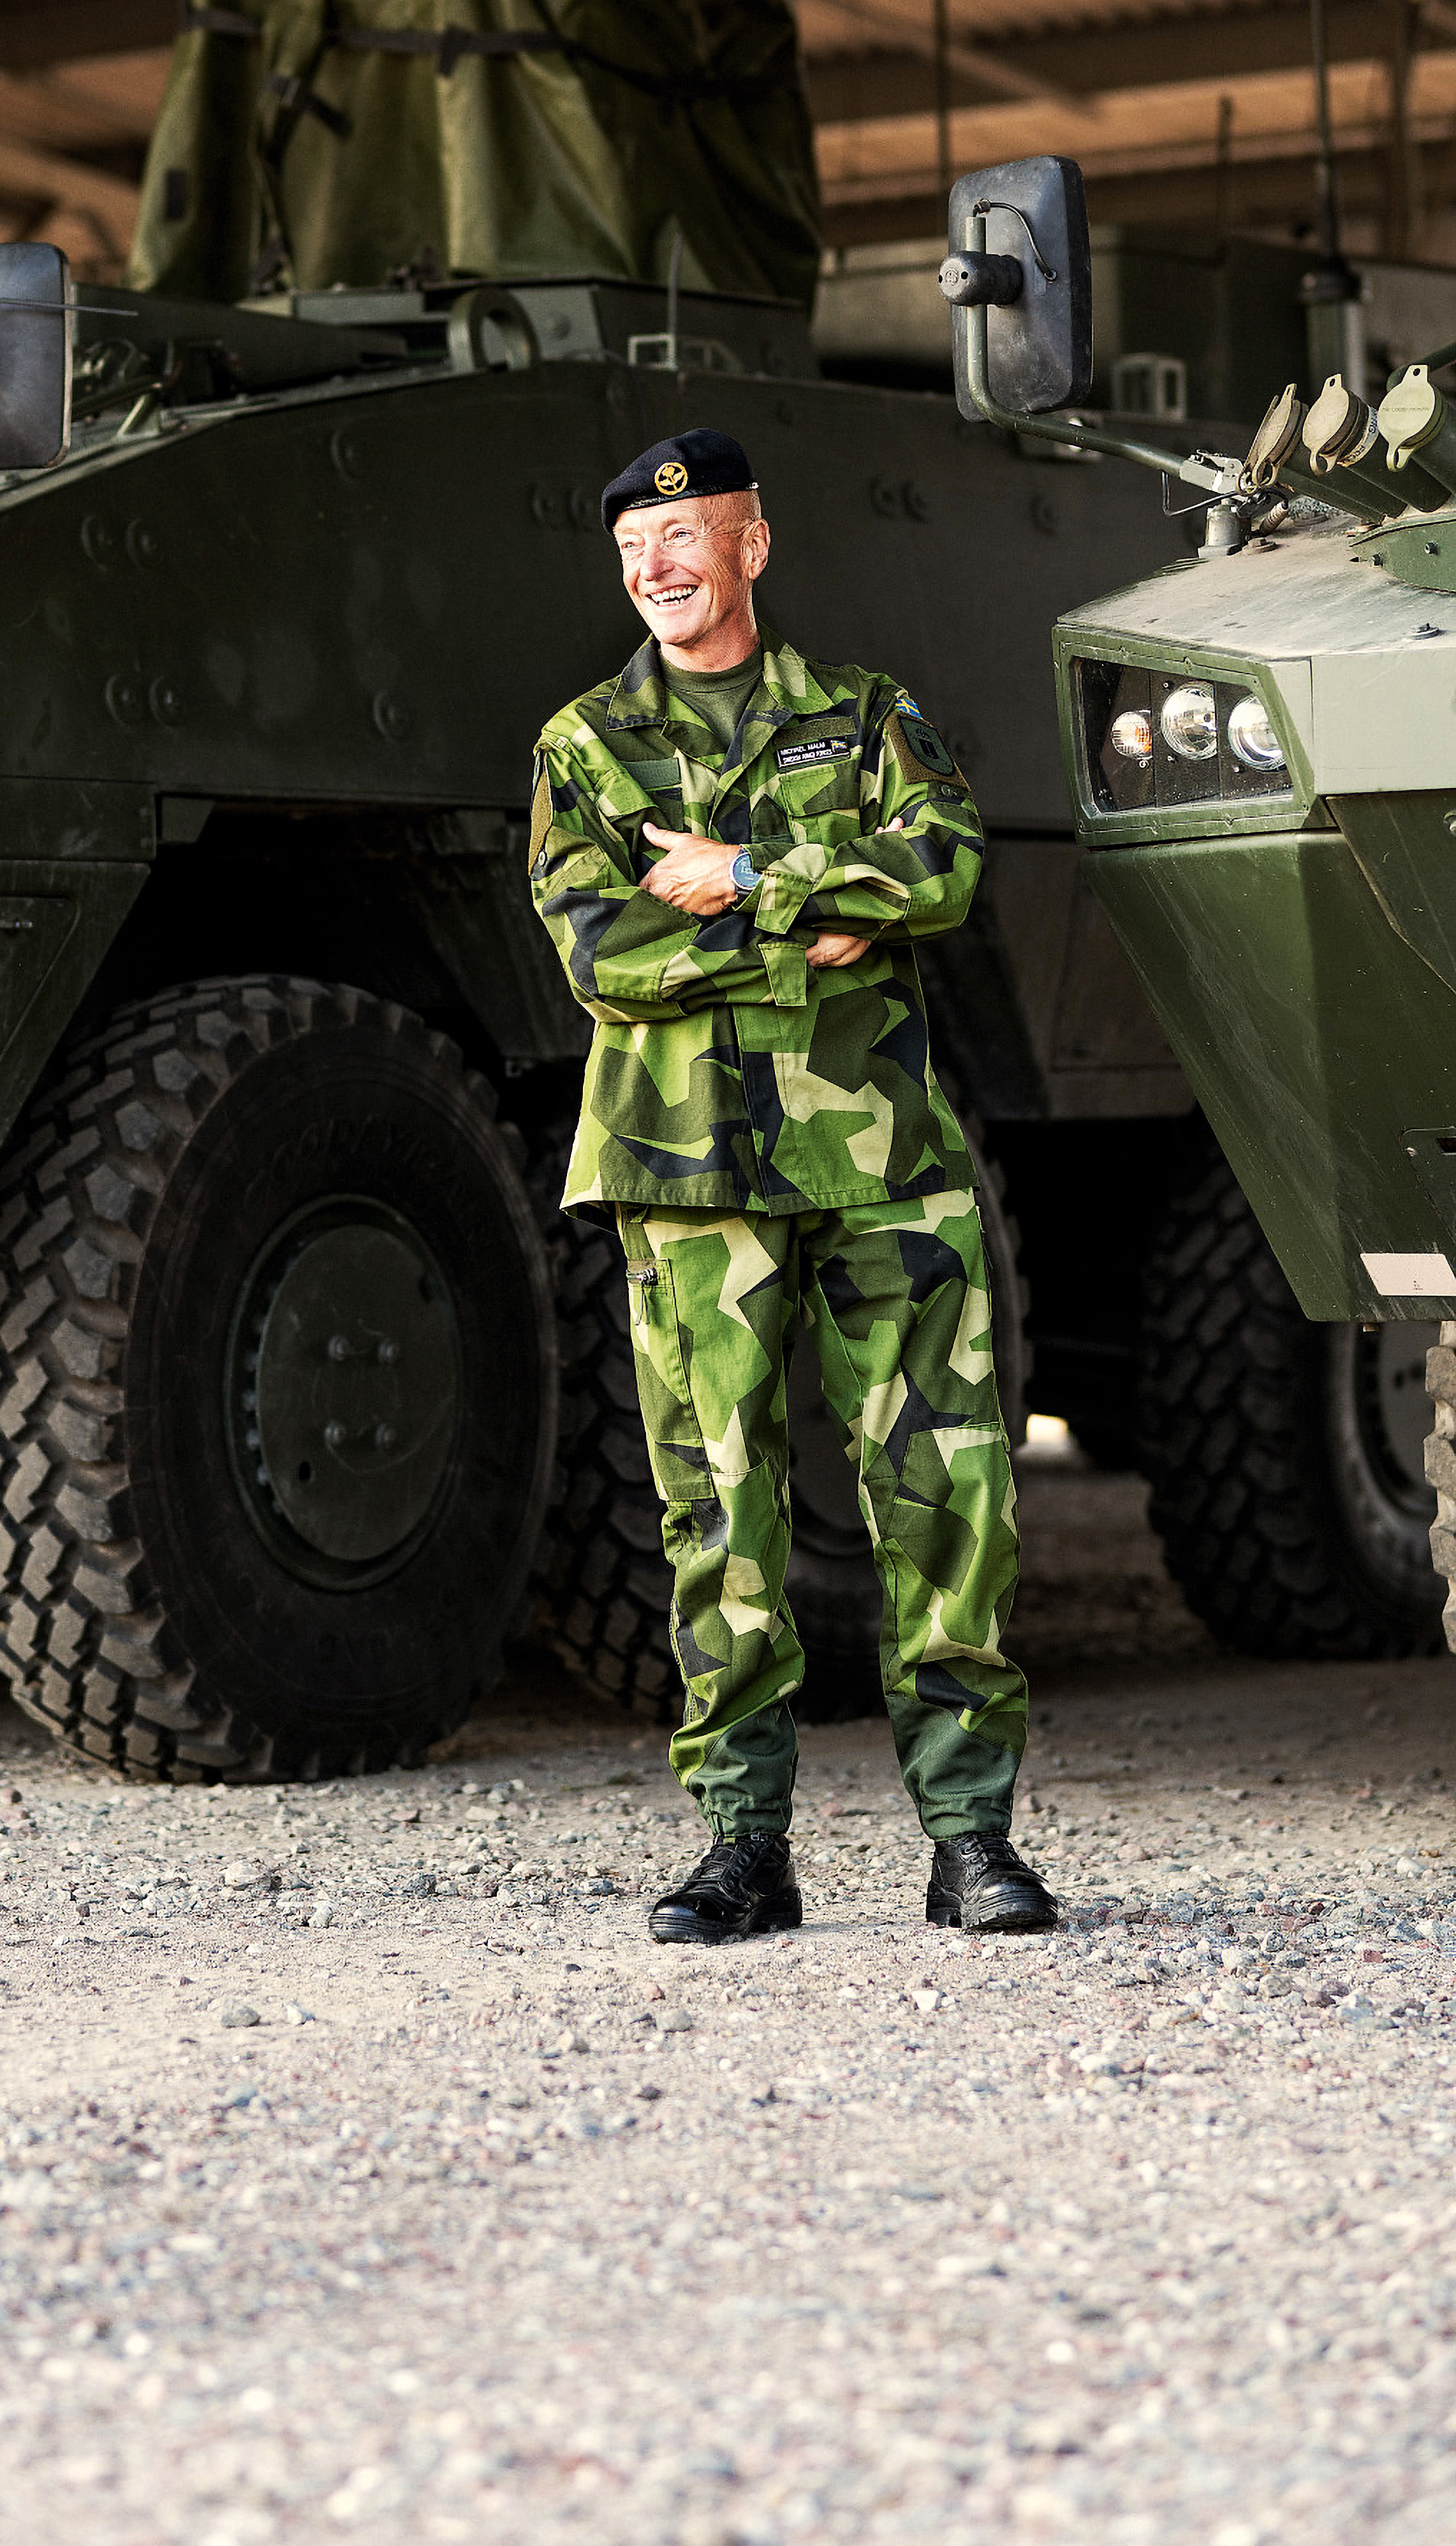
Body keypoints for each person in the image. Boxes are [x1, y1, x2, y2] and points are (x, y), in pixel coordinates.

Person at [528, 427, 1055, 1944]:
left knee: (950, 1492)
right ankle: (743, 1849)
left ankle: (971, 1840)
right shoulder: (585, 746)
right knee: (721, 1509)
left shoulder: (868, 713)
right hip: (688, 1173)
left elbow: (945, 866)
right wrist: (818, 925)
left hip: (885, 1164)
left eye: (685, 537)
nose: (657, 568)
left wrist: (749, 875)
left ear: (752, 545)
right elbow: (602, 955)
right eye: (633, 549)